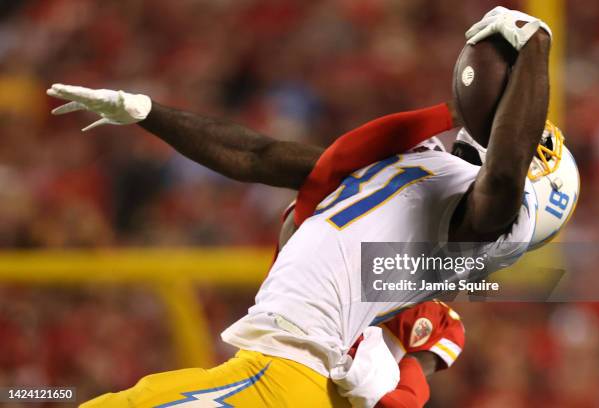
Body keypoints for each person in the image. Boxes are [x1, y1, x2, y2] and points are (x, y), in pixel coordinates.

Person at [48, 7, 557, 408]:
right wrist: (148, 112)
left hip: (290, 376)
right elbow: (256, 155)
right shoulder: (404, 172)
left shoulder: (481, 222)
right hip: (261, 368)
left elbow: (504, 177)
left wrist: (533, 43)